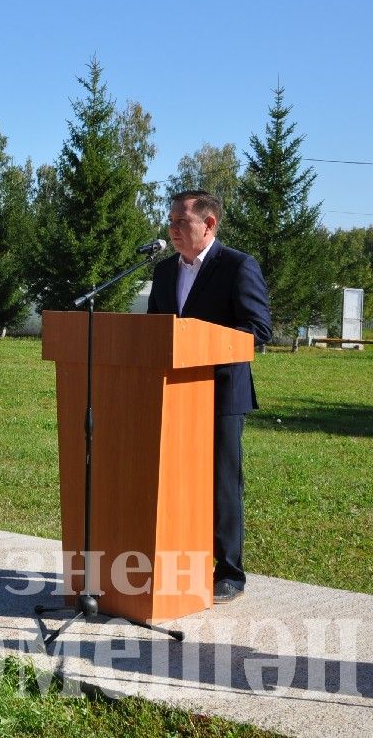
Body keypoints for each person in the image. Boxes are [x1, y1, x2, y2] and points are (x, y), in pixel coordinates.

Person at [146, 190, 272, 605]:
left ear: (209, 225)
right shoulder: (164, 272)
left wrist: (201, 344)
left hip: (221, 392)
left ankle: (229, 572)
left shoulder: (237, 266)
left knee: (221, 483)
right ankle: (182, 562)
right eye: (171, 222)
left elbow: (258, 330)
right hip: (173, 393)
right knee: (176, 480)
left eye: (182, 222)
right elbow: (156, 329)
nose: (173, 230)